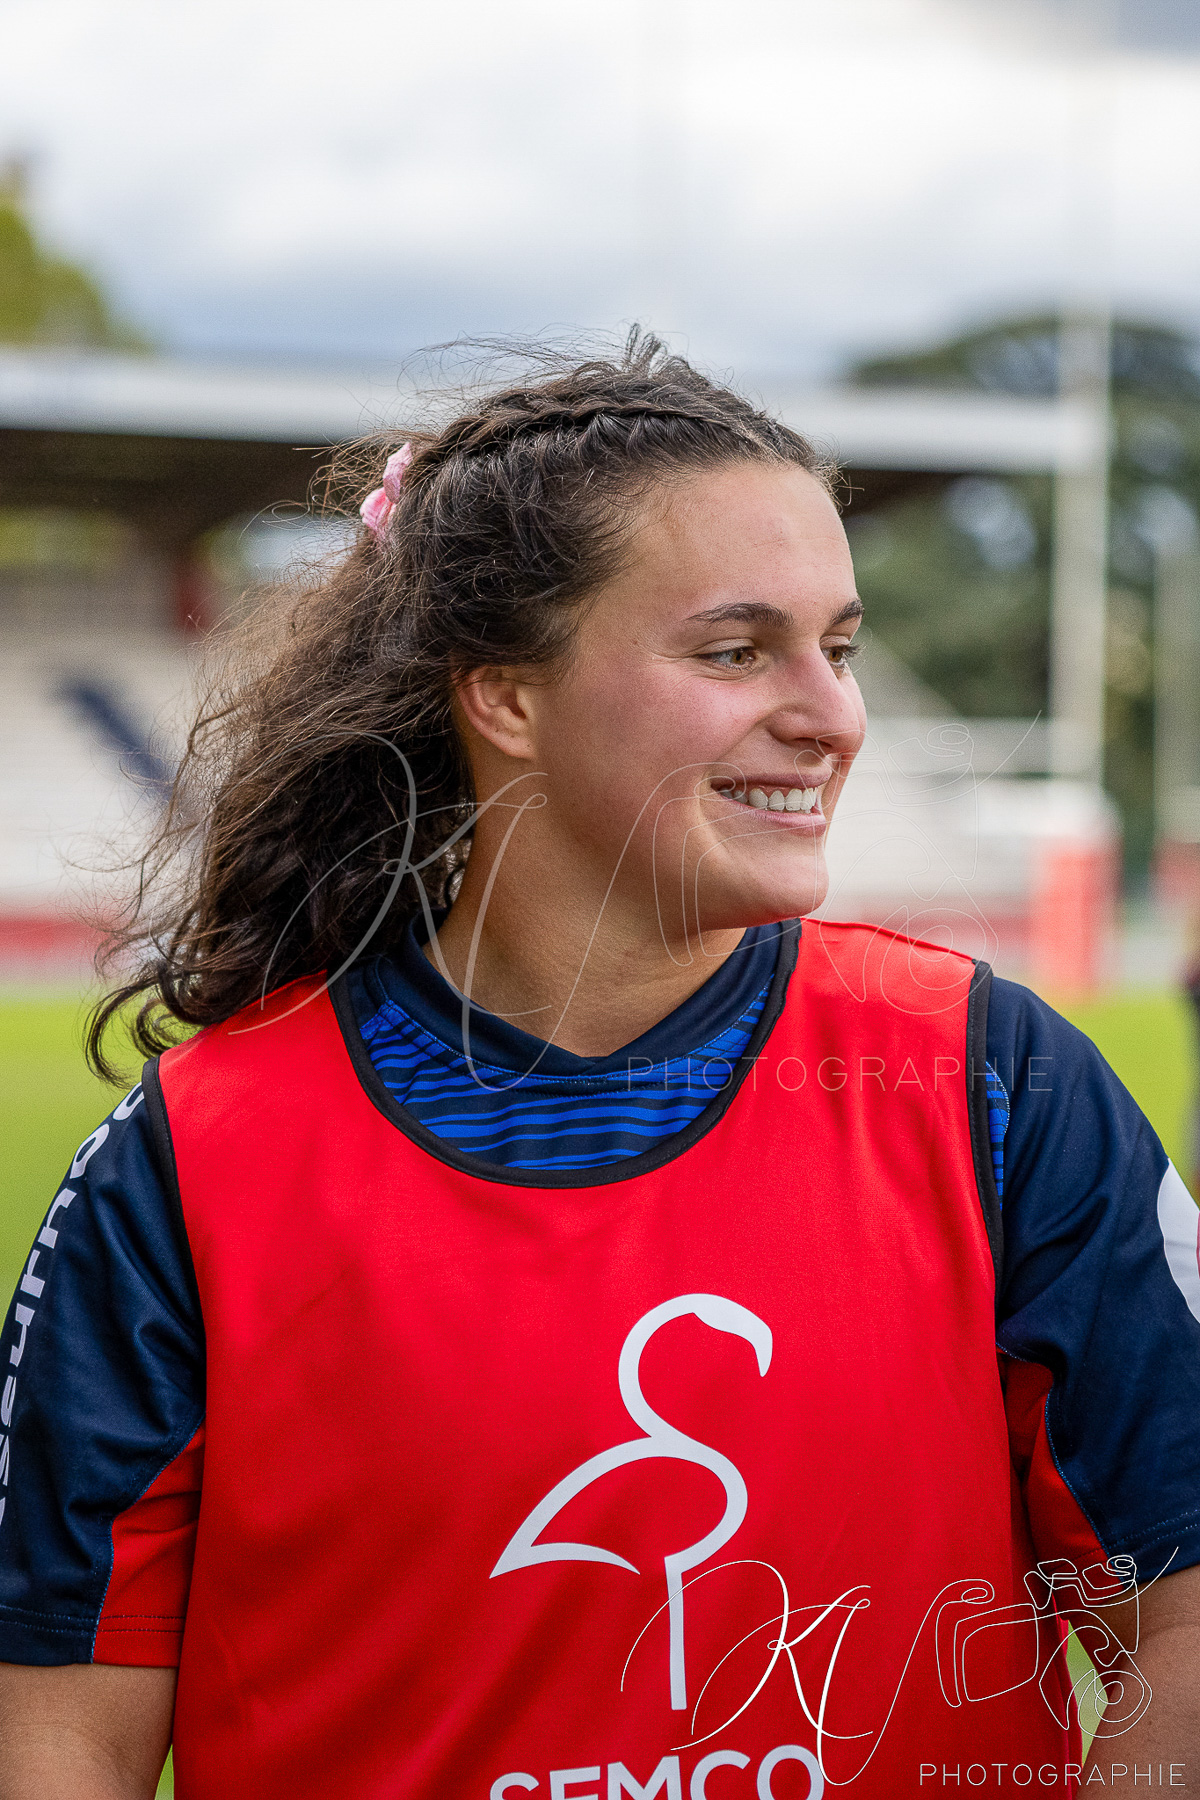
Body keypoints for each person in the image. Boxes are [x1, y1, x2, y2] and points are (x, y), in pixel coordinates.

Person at [1, 335, 1199, 1799]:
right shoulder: (186, 1161)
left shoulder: (991, 1085)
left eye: (841, 644)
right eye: (735, 648)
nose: (832, 715)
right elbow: (59, 1734)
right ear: (503, 694)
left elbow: (1183, 1622)